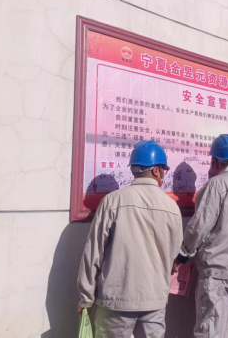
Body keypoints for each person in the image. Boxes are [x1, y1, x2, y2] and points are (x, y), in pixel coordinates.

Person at [77, 141, 182, 338]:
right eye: (164, 170)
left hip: (116, 300)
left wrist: (86, 297)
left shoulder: (112, 201)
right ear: (157, 170)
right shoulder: (171, 207)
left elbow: (93, 253)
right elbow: (175, 255)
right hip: (154, 301)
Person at [173, 134, 228, 338]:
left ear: (215, 160)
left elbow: (200, 225)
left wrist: (183, 254)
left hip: (217, 271)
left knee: (211, 329)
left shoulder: (217, 184)